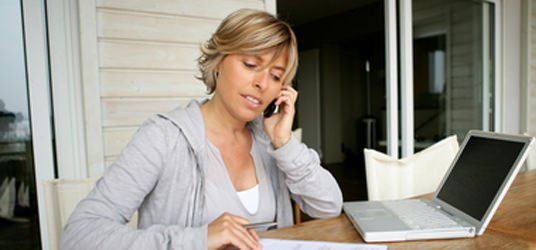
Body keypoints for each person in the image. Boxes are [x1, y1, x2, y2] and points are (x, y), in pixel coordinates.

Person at [59, 8, 343, 250]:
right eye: (250, 64)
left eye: (276, 75)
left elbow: (328, 207)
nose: (262, 83)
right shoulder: (164, 137)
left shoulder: (270, 142)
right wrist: (197, 239)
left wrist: (284, 143)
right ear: (219, 61)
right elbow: (78, 235)